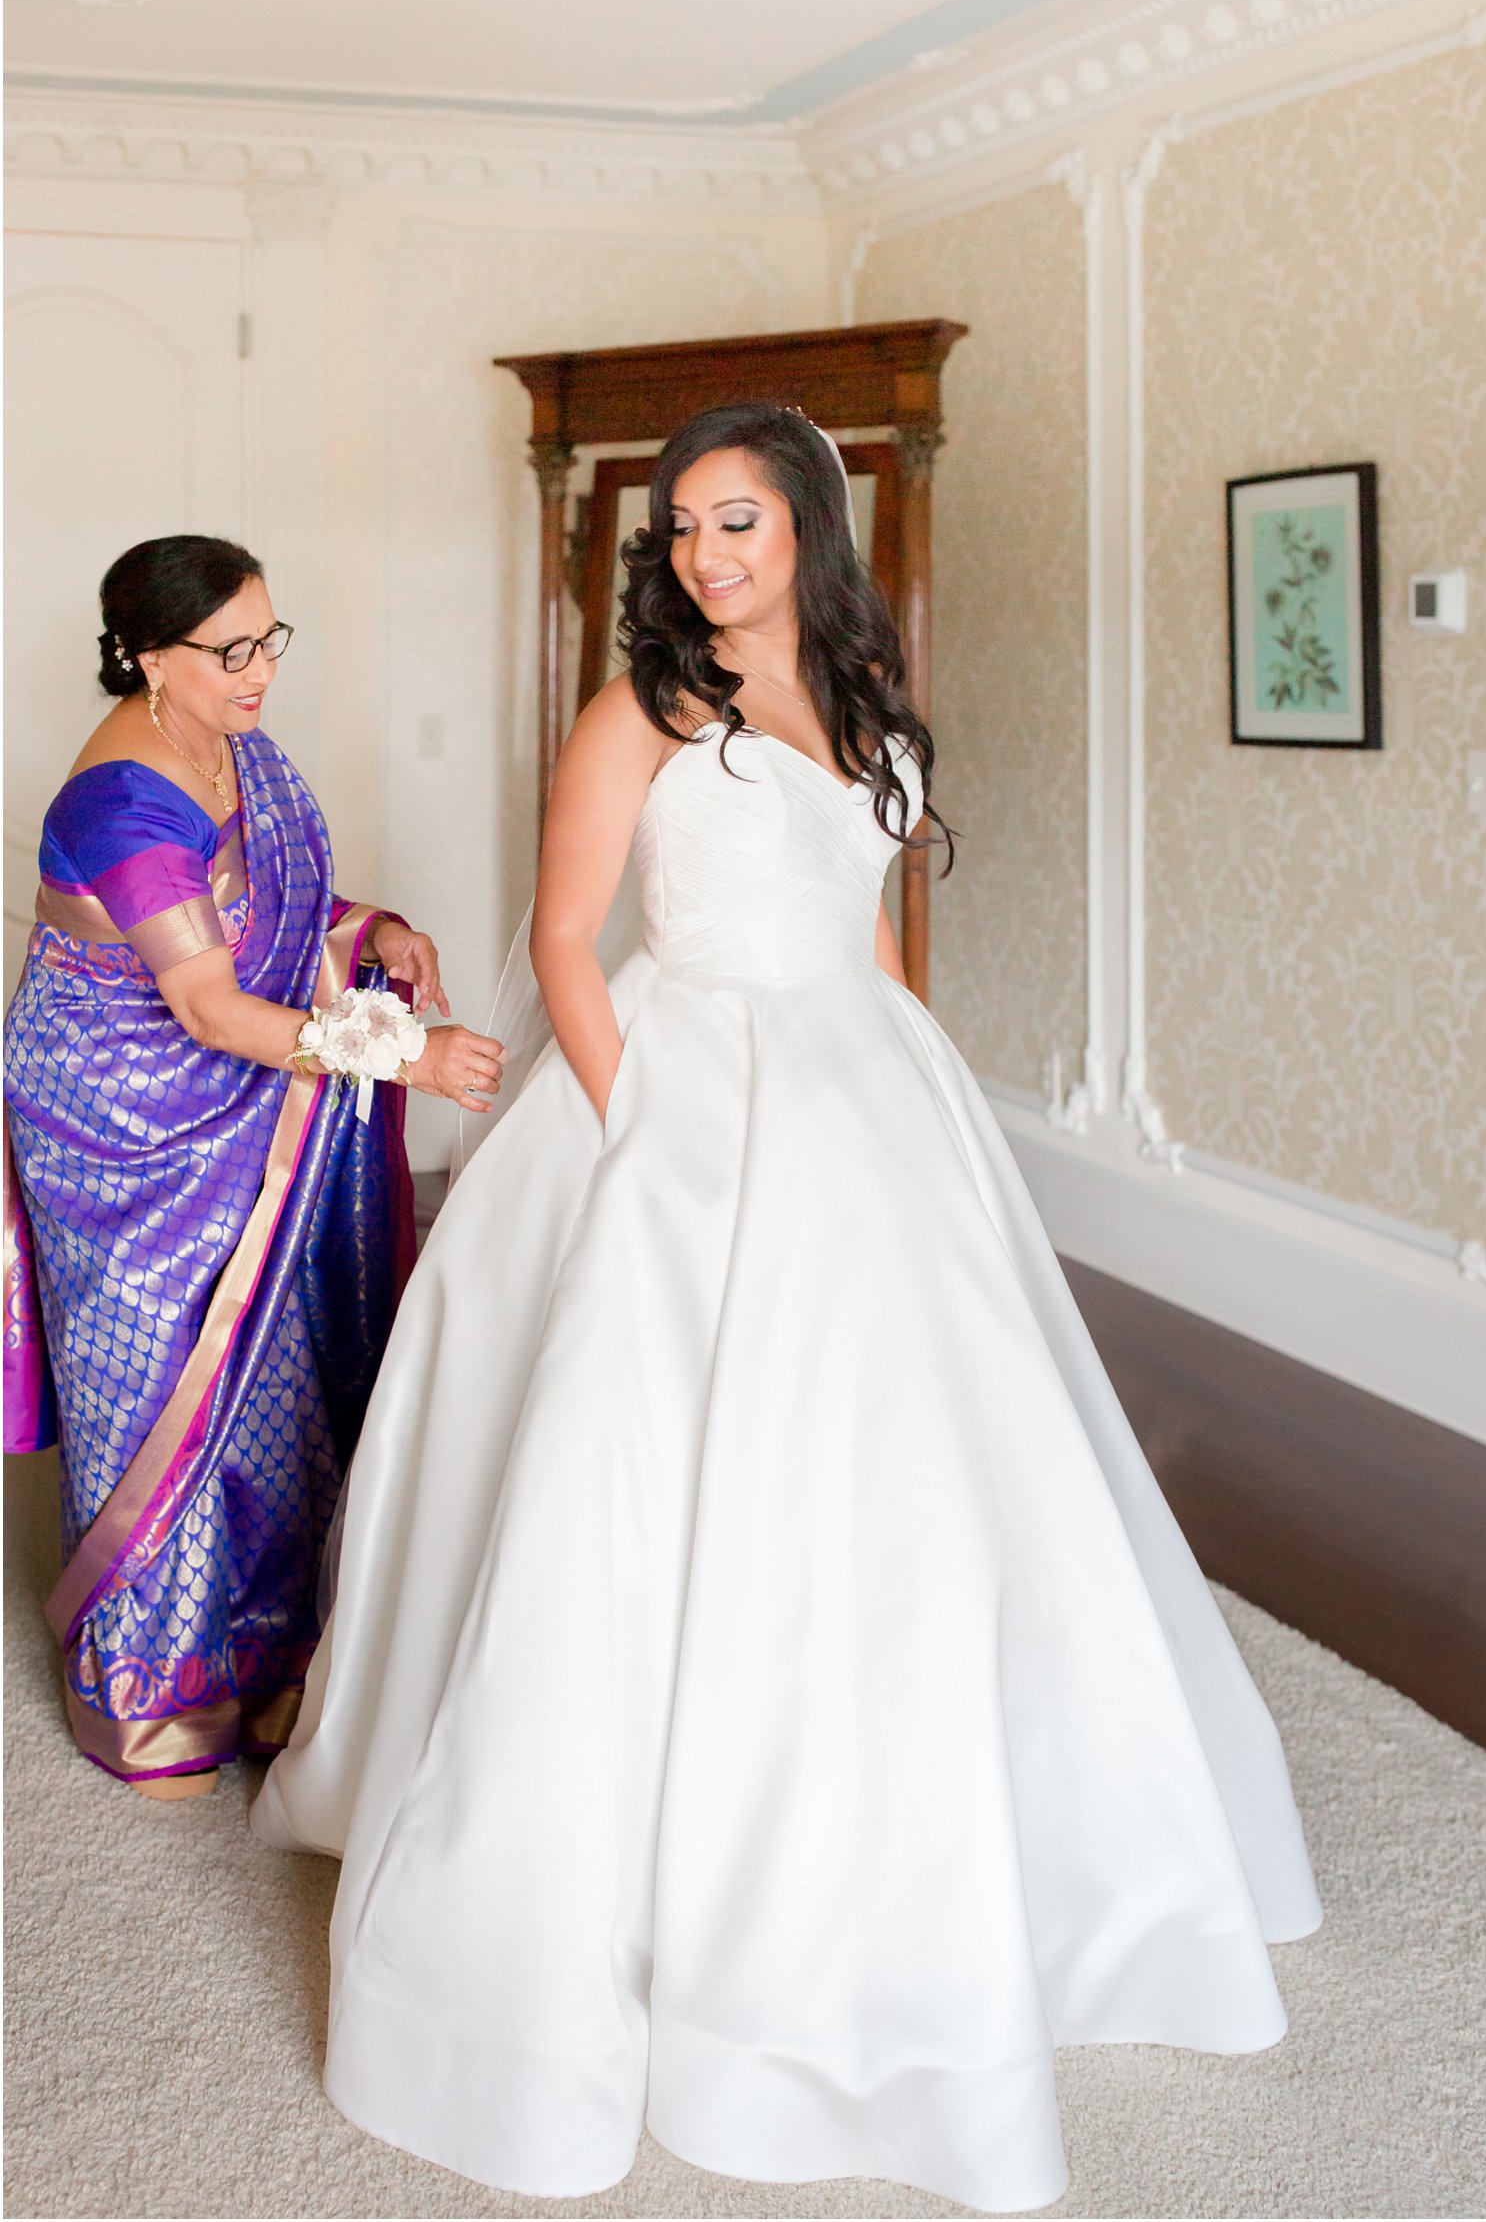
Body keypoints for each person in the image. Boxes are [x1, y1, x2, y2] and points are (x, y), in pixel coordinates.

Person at [252, 407, 1321, 2213]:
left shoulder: (876, 703)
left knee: (921, 1463)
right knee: (642, 1470)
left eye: (733, 522)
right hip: (671, 1087)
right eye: (678, 530)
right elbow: (571, 940)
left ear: (806, 526)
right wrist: (636, 1125)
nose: (700, 556)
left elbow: (875, 932)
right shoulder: (646, 715)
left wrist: (916, 1080)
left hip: (862, 1087)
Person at [3, 535, 502, 1801]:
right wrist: (403, 1053)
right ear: (149, 658)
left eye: (270, 639)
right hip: (120, 1125)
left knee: (274, 1383)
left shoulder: (236, 749)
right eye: (232, 651)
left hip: (242, 1099)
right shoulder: (119, 803)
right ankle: (156, 1695)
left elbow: (279, 914)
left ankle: (269, 1654)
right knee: (159, 1391)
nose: (261, 669)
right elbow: (215, 1009)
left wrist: (371, 931)